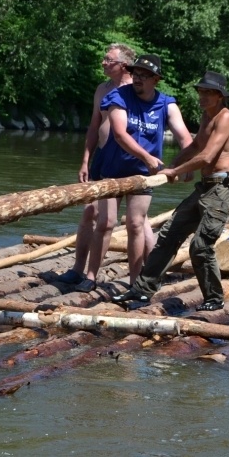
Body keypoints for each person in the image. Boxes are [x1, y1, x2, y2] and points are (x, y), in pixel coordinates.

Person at [112, 71, 229, 311]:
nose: (202, 96)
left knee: (200, 245)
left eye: (208, 93)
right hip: (206, 186)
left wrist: (175, 171)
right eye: (200, 91)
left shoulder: (226, 118)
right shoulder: (206, 116)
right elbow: (196, 146)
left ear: (220, 96)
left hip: (222, 188)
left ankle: (214, 298)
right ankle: (141, 290)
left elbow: (208, 156)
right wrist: (170, 167)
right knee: (169, 235)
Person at [83, 54, 192, 291]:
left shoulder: (166, 104)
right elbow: (120, 134)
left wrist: (186, 165)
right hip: (112, 170)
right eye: (135, 74)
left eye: (144, 75)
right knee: (105, 223)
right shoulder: (118, 96)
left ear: (156, 79)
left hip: (143, 175)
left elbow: (184, 137)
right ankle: (90, 276)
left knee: (135, 224)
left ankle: (135, 282)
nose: (138, 79)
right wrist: (148, 156)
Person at [57, 43, 137, 288]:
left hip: (130, 160)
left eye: (108, 60)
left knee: (128, 222)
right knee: (90, 213)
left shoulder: (137, 89)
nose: (103, 63)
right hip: (103, 156)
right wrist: (85, 160)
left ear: (123, 65)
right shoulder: (102, 89)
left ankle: (136, 278)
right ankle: (78, 270)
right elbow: (94, 126)